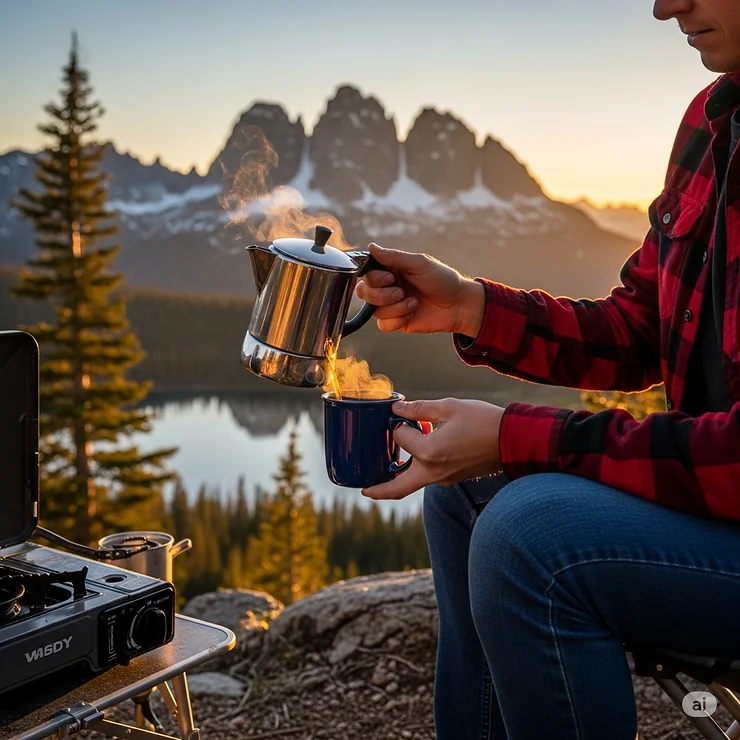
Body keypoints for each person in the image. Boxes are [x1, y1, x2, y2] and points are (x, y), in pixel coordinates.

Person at [354, 1, 740, 737]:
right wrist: (469, 306)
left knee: (530, 538)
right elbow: (639, 328)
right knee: (464, 495)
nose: (665, 7)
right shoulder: (710, 121)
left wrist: (517, 437)